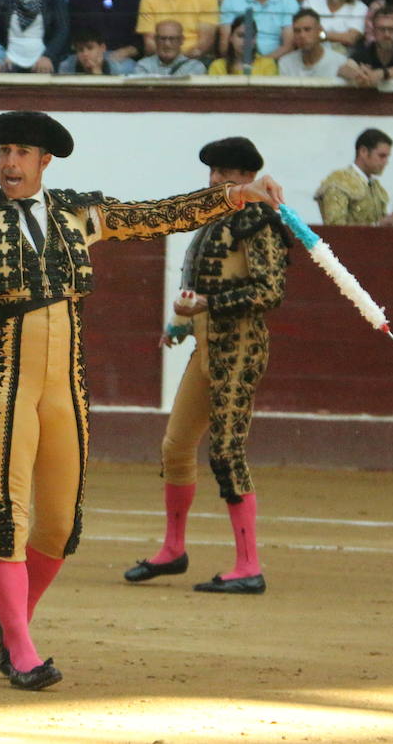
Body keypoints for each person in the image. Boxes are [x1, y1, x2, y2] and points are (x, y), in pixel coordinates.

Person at [0, 112, 285, 689]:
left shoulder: (78, 212)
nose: (9, 162)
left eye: (21, 152)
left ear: (45, 162)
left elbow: (158, 215)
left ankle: (15, 620)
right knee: (7, 513)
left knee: (61, 524)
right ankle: (20, 648)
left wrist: (235, 195)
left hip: (68, 380)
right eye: (3, 152)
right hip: (6, 373)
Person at [123, 136, 288, 596]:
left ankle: (249, 565)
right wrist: (179, 323)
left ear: (247, 177)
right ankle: (173, 550)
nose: (216, 179)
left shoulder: (258, 221)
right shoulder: (214, 218)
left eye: (226, 173)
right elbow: (196, 284)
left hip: (240, 349)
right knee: (176, 446)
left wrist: (209, 304)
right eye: (213, 171)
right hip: (207, 345)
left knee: (226, 452)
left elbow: (269, 291)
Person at [314, 128, 393, 225]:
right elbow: (336, 228)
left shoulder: (376, 187)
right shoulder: (338, 183)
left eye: (387, 157)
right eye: (381, 156)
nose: (386, 162)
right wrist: (377, 226)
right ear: (363, 151)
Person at [340, 4, 393, 85]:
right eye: (381, 29)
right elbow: (344, 69)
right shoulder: (365, 52)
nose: (387, 34)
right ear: (373, 31)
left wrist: (381, 74)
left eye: (391, 29)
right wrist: (359, 75)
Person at [278, 7, 349, 78]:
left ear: (319, 31)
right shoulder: (286, 63)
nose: (302, 35)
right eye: (297, 31)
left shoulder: (339, 63)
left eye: (307, 29)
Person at [207, 12, 277, 74]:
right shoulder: (218, 66)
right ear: (231, 38)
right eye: (241, 36)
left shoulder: (267, 64)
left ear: (255, 39)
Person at [131, 19, 202, 75]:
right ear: (155, 40)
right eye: (162, 38)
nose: (167, 44)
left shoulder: (195, 67)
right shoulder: (143, 66)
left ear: (181, 40)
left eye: (172, 39)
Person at [56, 24, 130, 73]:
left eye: (90, 48)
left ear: (102, 48)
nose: (85, 54)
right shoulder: (66, 67)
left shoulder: (122, 68)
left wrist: (97, 71)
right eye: (80, 50)